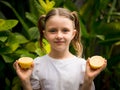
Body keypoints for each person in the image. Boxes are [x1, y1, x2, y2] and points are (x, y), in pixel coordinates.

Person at [13, 8, 107, 90]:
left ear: (73, 34)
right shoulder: (36, 65)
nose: (59, 36)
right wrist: (25, 81)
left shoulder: (83, 66)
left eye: (65, 30)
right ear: (45, 34)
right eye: (53, 31)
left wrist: (88, 80)